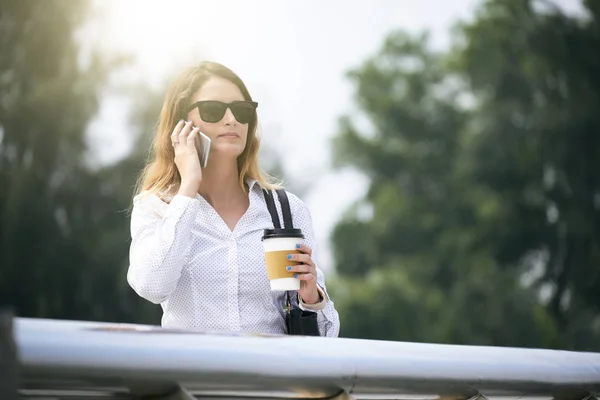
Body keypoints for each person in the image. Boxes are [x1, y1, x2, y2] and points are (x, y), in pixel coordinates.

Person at [127, 61, 340, 337]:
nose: (231, 119)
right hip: (195, 377)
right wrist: (189, 186)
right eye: (213, 110)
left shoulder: (287, 210)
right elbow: (152, 286)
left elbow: (326, 335)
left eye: (241, 110)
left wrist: (311, 297)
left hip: (269, 378)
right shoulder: (156, 206)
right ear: (182, 124)